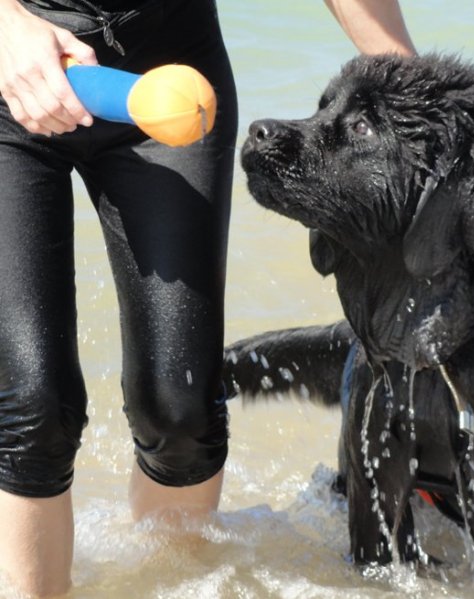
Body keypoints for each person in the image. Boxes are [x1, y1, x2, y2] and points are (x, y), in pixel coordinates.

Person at [0, 0, 415, 595]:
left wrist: (407, 78)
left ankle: (168, 583)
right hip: (8, 76)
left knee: (181, 410)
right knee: (34, 407)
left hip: (171, 71)